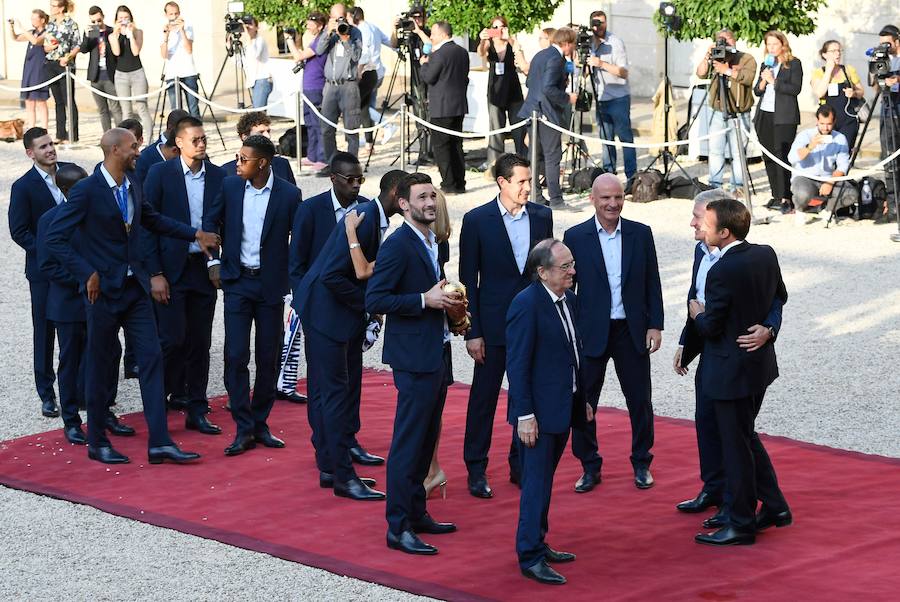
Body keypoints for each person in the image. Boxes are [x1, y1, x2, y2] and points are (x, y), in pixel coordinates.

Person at [45, 127, 218, 464]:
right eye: (133, 147)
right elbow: (54, 238)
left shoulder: (134, 182)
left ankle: (160, 442)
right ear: (113, 150)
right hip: (103, 293)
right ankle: (97, 441)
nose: (139, 151)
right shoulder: (87, 191)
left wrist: (194, 234)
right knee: (99, 365)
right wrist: (86, 272)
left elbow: (151, 219)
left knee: (152, 359)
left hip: (134, 289)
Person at [294, 169, 406, 501]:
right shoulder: (368, 218)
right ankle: (342, 475)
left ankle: (332, 465)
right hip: (327, 315)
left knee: (331, 392)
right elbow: (332, 275)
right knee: (333, 394)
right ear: (397, 194)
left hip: (329, 313)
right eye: (415, 196)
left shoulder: (371, 215)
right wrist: (368, 305)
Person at [673, 189, 783, 523]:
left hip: (732, 355)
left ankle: (740, 509)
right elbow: (697, 296)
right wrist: (685, 344)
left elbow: (776, 298)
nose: (692, 223)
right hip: (712, 353)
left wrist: (769, 327)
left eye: (699, 217)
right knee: (707, 423)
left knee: (737, 435)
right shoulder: (702, 252)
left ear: (721, 224)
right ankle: (717, 489)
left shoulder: (737, 262)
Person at [366, 172, 461, 555]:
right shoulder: (397, 244)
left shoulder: (431, 242)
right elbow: (376, 299)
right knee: (408, 443)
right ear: (403, 203)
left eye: (432, 196)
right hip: (413, 359)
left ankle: (418, 512)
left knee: (426, 439)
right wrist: (424, 301)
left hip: (435, 352)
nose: (429, 203)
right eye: (421, 197)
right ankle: (398, 526)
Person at [459, 153, 554, 498]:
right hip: (493, 326)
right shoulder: (477, 220)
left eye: (530, 180)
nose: (529, 187)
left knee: (526, 395)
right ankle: (475, 468)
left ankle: (520, 464)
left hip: (533, 325)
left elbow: (547, 271)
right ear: (502, 183)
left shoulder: (543, 216)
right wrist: (473, 331)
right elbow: (468, 278)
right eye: (523, 181)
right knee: (483, 398)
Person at [564, 173, 663, 492]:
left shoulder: (640, 233)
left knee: (640, 400)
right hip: (590, 331)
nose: (613, 203)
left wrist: (655, 324)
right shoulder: (575, 236)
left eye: (618, 197)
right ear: (592, 199)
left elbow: (652, 281)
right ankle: (589, 465)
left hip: (631, 330)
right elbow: (567, 286)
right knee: (583, 401)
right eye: (605, 198)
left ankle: (641, 462)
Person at [203, 135, 300, 456]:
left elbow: (299, 241)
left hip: (270, 285)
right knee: (235, 355)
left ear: (262, 163)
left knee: (268, 358)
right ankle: (243, 427)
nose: (236, 162)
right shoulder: (231, 186)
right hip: (237, 281)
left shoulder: (288, 194)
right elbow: (209, 221)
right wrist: (213, 260)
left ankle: (260, 422)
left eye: (243, 158)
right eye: (237, 157)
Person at [289, 153, 372, 479]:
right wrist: (305, 307)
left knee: (352, 378)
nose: (356, 185)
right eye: (350, 180)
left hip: (352, 306)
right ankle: (325, 448)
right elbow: (296, 265)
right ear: (334, 178)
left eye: (359, 179)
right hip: (320, 313)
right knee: (324, 385)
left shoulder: (365, 209)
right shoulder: (310, 211)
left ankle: (347, 440)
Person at [507, 238, 583, 585]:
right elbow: (517, 364)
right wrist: (524, 415)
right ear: (542, 272)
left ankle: (538, 540)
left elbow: (572, 354)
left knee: (546, 481)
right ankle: (530, 555)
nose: (572, 271)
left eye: (571, 264)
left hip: (561, 408)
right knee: (536, 484)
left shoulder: (567, 300)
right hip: (537, 415)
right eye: (565, 266)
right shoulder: (527, 304)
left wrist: (582, 400)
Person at [142, 116, 225, 434]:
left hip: (203, 271)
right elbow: (147, 225)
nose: (202, 144)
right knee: (171, 340)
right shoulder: (160, 174)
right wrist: (155, 273)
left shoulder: (218, 176)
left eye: (205, 138)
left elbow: (223, 223)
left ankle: (197, 408)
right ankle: (157, 404)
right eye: (196, 139)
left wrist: (218, 261)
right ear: (178, 143)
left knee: (200, 342)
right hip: (170, 269)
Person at [9, 128, 73, 418]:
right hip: (43, 273)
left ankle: (77, 389)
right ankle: (47, 394)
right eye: (43, 146)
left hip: (76, 267)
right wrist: (49, 254)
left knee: (76, 330)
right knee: (45, 333)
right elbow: (19, 231)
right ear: (30, 153)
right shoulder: (23, 187)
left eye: (51, 144)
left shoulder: (72, 176)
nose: (50, 149)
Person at [518, 27, 578, 208]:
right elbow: (548, 88)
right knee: (552, 156)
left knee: (534, 155)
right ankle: (556, 199)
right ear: (566, 44)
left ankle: (535, 194)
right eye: (573, 44)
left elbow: (530, 82)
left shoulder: (540, 54)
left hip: (532, 109)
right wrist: (568, 97)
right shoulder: (556, 59)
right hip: (546, 112)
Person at [695, 29, 756, 192]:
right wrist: (707, 56)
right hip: (717, 111)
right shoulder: (715, 57)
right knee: (715, 151)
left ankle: (738, 186)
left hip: (739, 112)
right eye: (722, 40)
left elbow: (748, 78)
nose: (726, 43)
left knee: (738, 153)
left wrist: (727, 70)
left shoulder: (746, 58)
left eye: (728, 39)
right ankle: (715, 185)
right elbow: (700, 73)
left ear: (735, 40)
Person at [754, 31, 803, 214]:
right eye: (769, 45)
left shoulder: (793, 64)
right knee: (767, 155)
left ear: (783, 44)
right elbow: (757, 91)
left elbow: (795, 88)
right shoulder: (766, 64)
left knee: (781, 154)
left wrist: (774, 81)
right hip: (764, 114)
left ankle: (786, 197)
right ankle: (775, 194)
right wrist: (762, 82)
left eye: (775, 44)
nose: (771, 48)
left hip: (784, 116)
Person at [424, 187, 452, 497]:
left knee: (430, 410)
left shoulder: (432, 246)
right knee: (433, 409)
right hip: (438, 338)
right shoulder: (435, 245)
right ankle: (432, 470)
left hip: (433, 339)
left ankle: (432, 471)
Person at [420, 21, 469, 195]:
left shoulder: (439, 55)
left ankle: (448, 184)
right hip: (459, 105)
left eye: (433, 34)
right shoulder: (462, 52)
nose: (431, 37)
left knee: (441, 146)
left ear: (443, 35)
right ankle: (460, 183)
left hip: (442, 107)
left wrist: (424, 64)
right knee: (456, 145)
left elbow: (429, 78)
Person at [587, 11, 636, 182]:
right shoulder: (588, 43)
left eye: (602, 23)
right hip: (600, 97)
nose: (599, 26)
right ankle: (608, 175)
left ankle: (632, 176)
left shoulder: (615, 43)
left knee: (625, 137)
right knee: (605, 138)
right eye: (596, 23)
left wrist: (601, 63)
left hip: (618, 97)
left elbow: (623, 72)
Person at [787, 105, 855, 225]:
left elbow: (843, 165)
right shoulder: (805, 135)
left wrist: (830, 182)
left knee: (851, 192)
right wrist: (810, 147)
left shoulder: (840, 138)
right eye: (822, 123)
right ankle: (800, 210)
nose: (825, 127)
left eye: (828, 124)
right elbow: (791, 158)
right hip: (805, 176)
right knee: (803, 193)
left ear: (834, 122)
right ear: (817, 121)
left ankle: (827, 210)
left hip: (827, 177)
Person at [315, 3, 363, 172]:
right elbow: (319, 50)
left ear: (347, 16)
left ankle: (351, 166)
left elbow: (356, 56)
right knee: (326, 128)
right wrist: (329, 32)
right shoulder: (330, 33)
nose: (339, 21)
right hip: (330, 86)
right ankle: (332, 164)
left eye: (341, 17)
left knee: (351, 127)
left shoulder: (355, 33)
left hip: (349, 86)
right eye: (336, 18)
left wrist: (346, 39)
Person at [478, 17, 526, 171]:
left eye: (501, 26)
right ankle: (494, 164)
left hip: (512, 88)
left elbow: (520, 56)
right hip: (495, 89)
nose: (497, 30)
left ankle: (523, 160)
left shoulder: (512, 42)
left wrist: (509, 39)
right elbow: (481, 53)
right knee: (496, 128)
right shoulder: (488, 43)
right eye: (494, 27)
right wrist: (482, 40)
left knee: (519, 127)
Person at [286, 12, 328, 169]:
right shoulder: (315, 39)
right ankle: (312, 155)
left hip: (316, 86)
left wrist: (289, 40)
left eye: (311, 23)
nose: (308, 26)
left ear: (320, 25)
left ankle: (322, 157)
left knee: (318, 123)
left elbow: (299, 56)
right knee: (309, 122)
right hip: (308, 86)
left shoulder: (321, 40)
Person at [391, 5, 432, 165]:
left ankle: (428, 152)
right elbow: (394, 44)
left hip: (428, 81)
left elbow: (432, 47)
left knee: (427, 115)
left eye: (419, 17)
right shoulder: (410, 35)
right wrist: (394, 28)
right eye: (413, 18)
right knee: (418, 115)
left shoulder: (427, 33)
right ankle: (422, 151)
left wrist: (419, 31)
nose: (416, 21)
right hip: (415, 80)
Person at [347, 7, 393, 149]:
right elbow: (389, 42)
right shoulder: (373, 27)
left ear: (354, 17)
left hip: (367, 72)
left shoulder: (362, 31)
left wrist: (358, 72)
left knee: (360, 105)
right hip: (376, 71)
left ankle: (387, 124)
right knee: (366, 106)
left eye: (348, 17)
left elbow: (364, 54)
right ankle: (369, 141)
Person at [109, 5, 154, 139]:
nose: (123, 21)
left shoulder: (138, 32)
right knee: (126, 111)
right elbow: (116, 52)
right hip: (121, 75)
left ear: (131, 19)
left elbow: (135, 51)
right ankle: (127, 140)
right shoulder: (112, 35)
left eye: (126, 18)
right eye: (120, 18)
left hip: (137, 73)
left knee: (142, 108)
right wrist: (117, 35)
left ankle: (149, 140)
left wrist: (130, 35)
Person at [810, 40, 865, 150]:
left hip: (848, 118)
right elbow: (820, 93)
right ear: (824, 55)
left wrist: (853, 93)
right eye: (833, 51)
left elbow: (861, 91)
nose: (838, 54)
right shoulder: (819, 73)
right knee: (827, 151)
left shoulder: (848, 70)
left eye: (839, 51)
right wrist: (828, 71)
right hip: (827, 120)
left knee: (845, 149)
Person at [219, 112, 296, 184]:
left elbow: (293, 196)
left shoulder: (282, 165)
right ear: (244, 137)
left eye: (268, 131)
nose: (268, 136)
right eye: (261, 132)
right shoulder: (227, 171)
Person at [78, 6, 122, 133]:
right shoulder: (92, 32)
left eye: (98, 20)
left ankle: (120, 135)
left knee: (115, 108)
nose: (96, 24)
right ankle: (107, 135)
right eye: (93, 22)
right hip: (95, 76)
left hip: (110, 75)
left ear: (103, 16)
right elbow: (84, 49)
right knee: (102, 110)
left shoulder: (111, 31)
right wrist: (87, 36)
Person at [44, 0, 81, 143]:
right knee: (58, 101)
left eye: (53, 6)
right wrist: (47, 48)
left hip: (65, 65)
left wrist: (69, 57)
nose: (51, 8)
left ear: (61, 8)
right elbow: (47, 44)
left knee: (68, 100)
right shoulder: (51, 24)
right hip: (51, 63)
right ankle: (60, 134)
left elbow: (78, 44)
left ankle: (73, 135)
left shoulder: (71, 24)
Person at [874, 25, 900, 225]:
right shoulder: (880, 59)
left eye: (887, 43)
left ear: (897, 41)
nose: (884, 46)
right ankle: (892, 207)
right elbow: (874, 86)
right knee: (889, 159)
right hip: (887, 111)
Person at [8, 9, 50, 130]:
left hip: (40, 69)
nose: (32, 21)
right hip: (29, 69)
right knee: (29, 101)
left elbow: (36, 41)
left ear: (42, 20)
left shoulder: (46, 33)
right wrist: (12, 27)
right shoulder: (31, 32)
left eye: (34, 18)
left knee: (41, 101)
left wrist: (22, 28)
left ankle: (44, 128)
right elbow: (16, 38)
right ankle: (31, 127)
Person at [160, 2, 200, 118]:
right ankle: (179, 135)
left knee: (193, 109)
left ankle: (197, 134)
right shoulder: (163, 30)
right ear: (166, 15)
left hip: (188, 72)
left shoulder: (188, 27)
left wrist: (181, 30)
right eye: (171, 14)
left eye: (176, 13)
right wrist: (166, 36)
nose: (174, 17)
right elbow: (164, 55)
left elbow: (189, 49)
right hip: (172, 73)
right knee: (176, 111)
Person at [134, 109, 190, 186]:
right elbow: (139, 189)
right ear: (170, 127)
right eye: (183, 130)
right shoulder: (145, 157)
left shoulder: (193, 150)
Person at [240, 16, 272, 109]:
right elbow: (240, 64)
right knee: (257, 113)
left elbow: (255, 55)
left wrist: (248, 36)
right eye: (245, 24)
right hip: (253, 80)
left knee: (258, 113)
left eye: (250, 24)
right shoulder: (247, 43)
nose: (247, 27)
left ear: (257, 27)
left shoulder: (260, 40)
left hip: (262, 79)